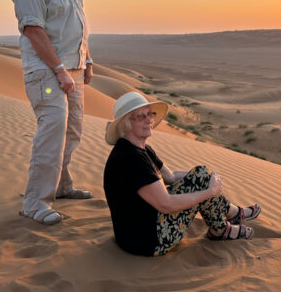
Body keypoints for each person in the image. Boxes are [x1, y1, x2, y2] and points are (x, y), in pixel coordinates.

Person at [103, 92, 262, 256]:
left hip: (141, 227)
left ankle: (230, 215)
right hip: (146, 241)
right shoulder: (131, 158)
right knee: (203, 182)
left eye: (149, 114)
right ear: (126, 124)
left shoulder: (140, 149)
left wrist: (207, 176)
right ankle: (223, 226)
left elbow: (170, 177)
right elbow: (166, 204)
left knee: (202, 175)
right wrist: (209, 192)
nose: (149, 120)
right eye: (140, 116)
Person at [11, 0, 94, 225]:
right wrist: (59, 70)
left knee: (72, 132)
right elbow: (34, 30)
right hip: (47, 72)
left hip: (72, 69)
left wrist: (87, 59)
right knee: (52, 133)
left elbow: (77, 23)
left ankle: (61, 185)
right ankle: (35, 202)